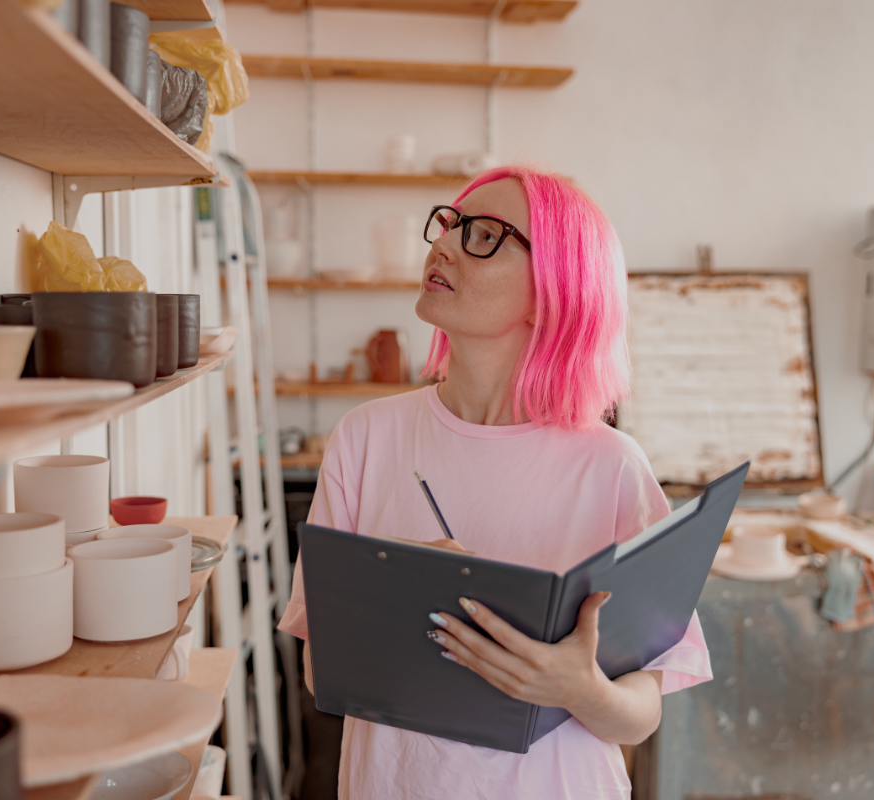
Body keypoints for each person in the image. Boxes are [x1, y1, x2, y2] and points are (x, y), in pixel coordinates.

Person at [277, 164, 712, 799]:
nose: (444, 244)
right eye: (449, 223)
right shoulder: (364, 438)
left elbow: (645, 709)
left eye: (484, 234)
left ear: (552, 290)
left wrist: (578, 689)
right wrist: (394, 595)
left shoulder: (614, 466)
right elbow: (322, 675)